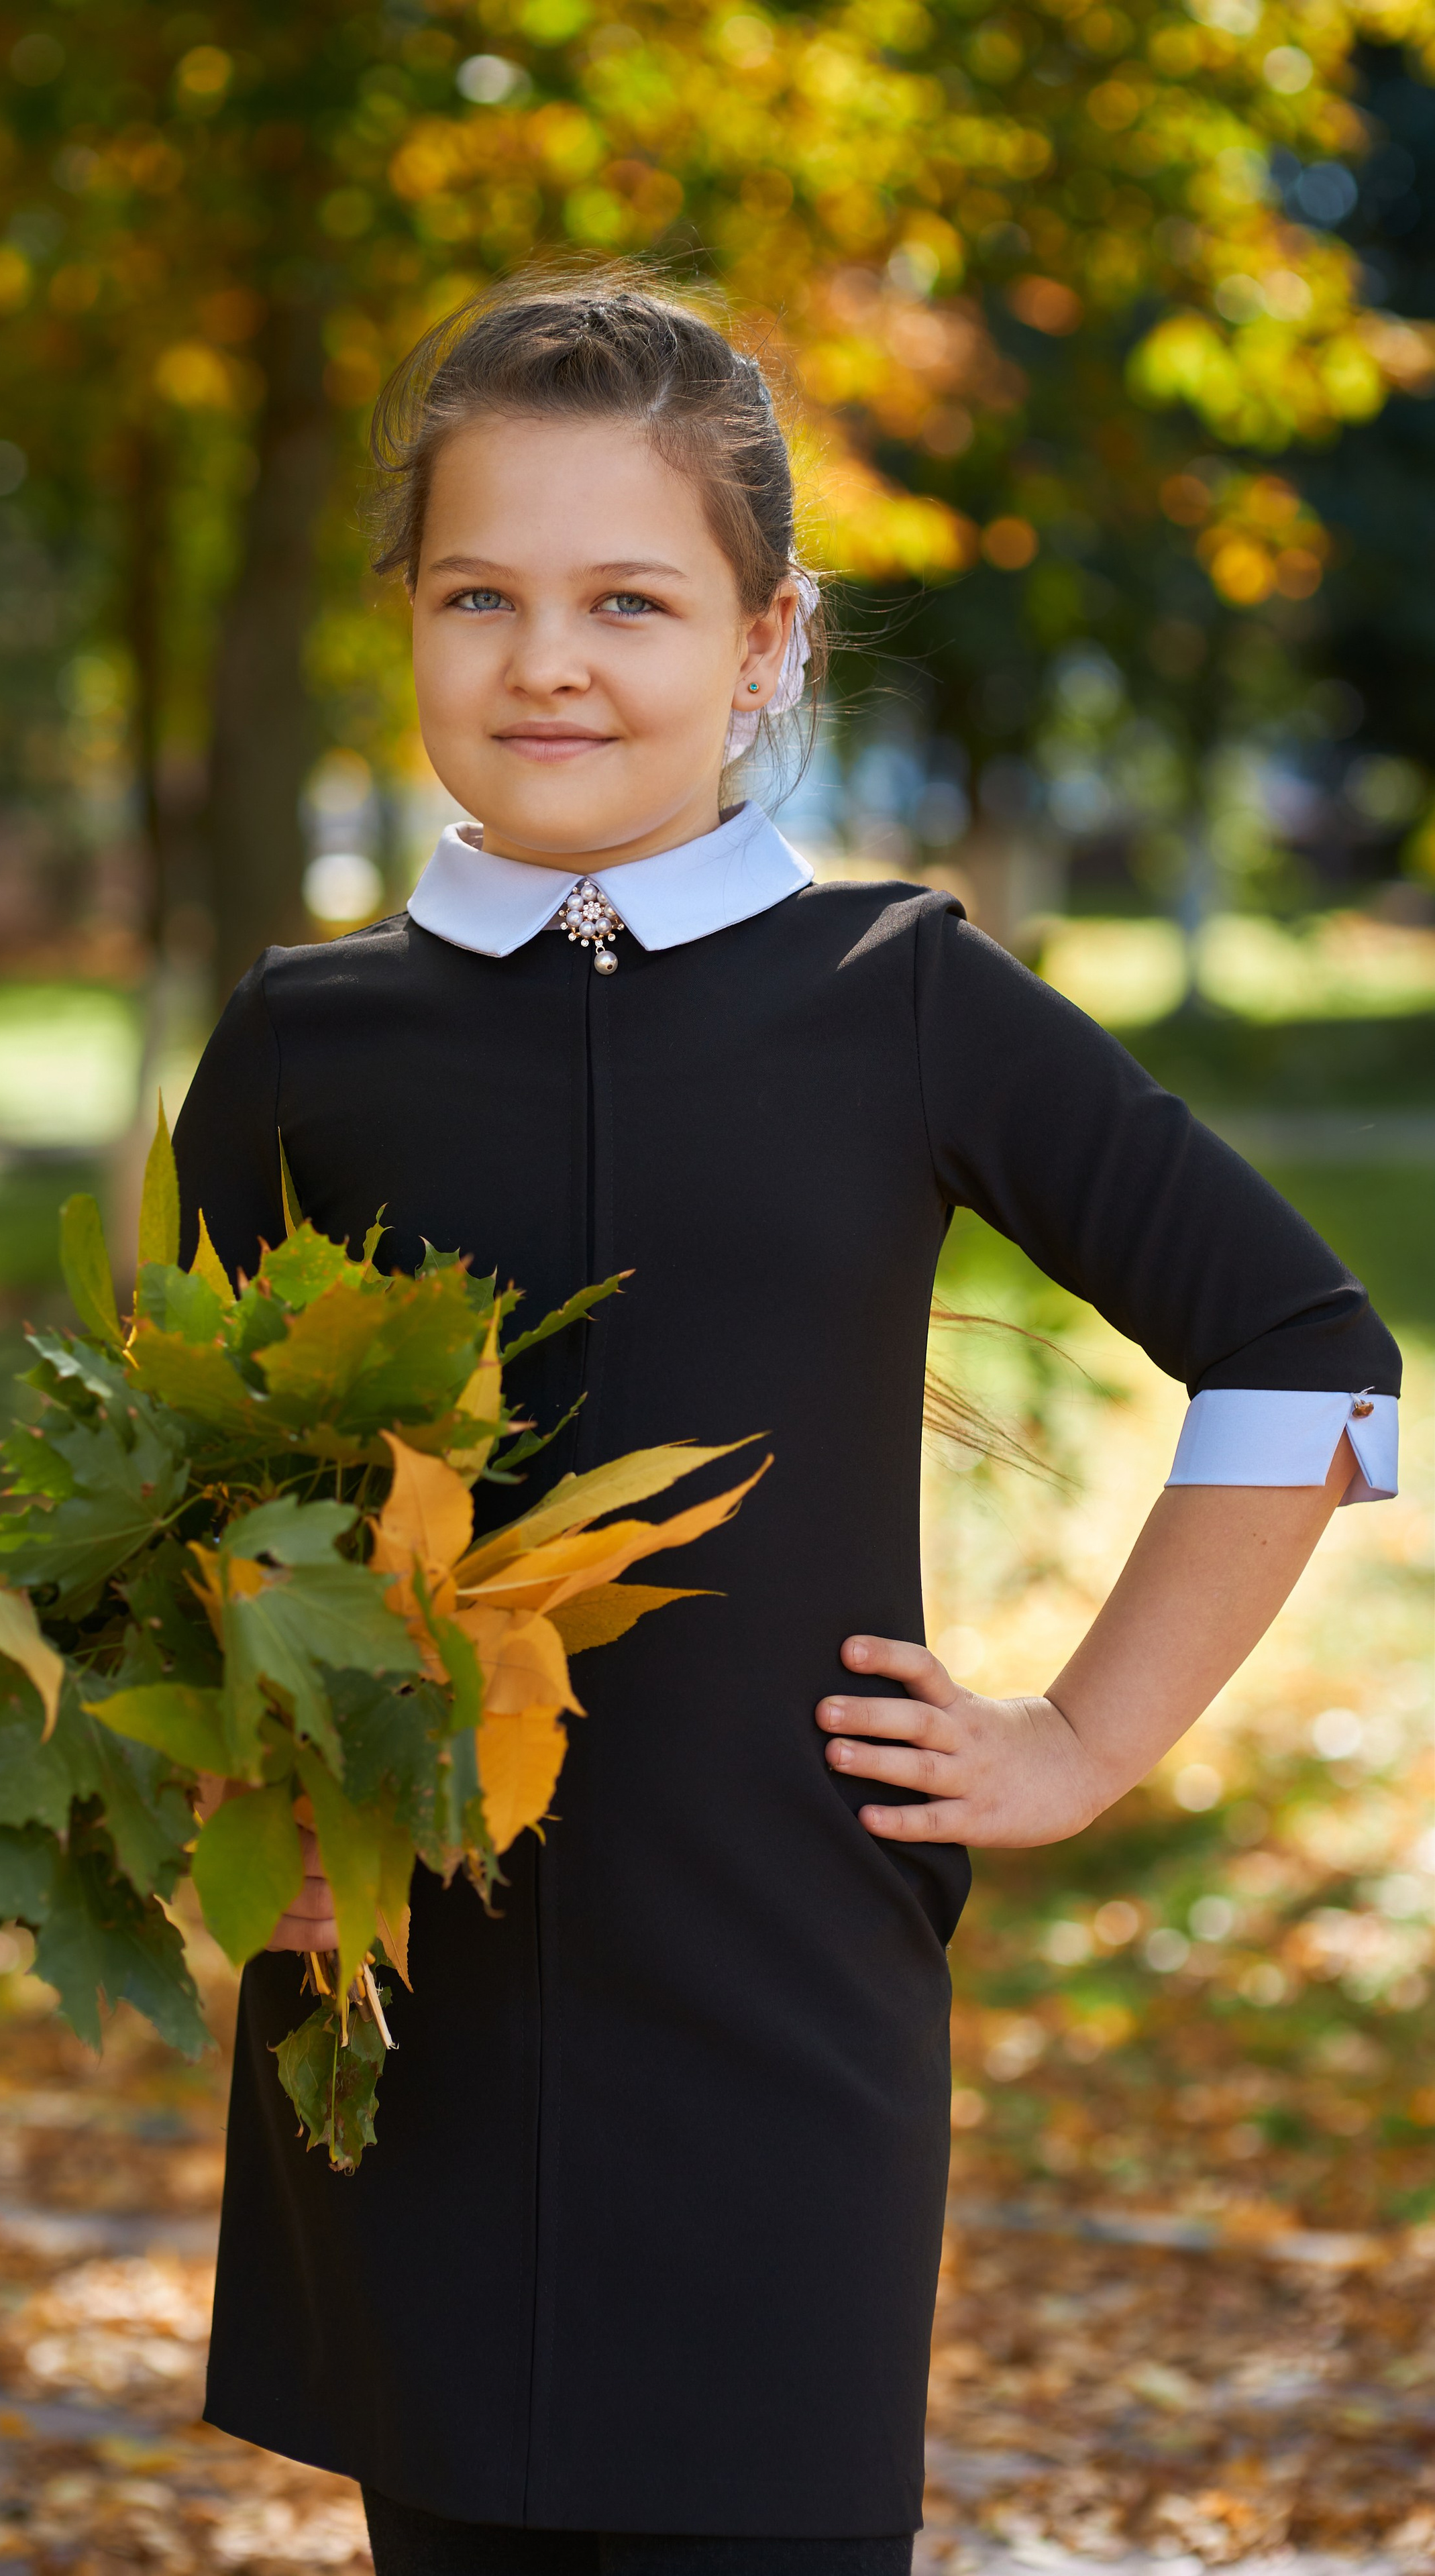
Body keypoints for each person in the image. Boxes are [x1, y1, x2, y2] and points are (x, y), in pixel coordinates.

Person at [170, 272, 1400, 2576]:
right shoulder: (300, 1044)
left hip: (779, 2011)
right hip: (406, 2027)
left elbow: (1311, 1351)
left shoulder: (902, 1000)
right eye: (482, 596)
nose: (551, 659)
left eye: (629, 598)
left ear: (763, 639)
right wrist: (256, 1796)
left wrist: (1081, 1744)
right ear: (407, 624)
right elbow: (211, 1504)